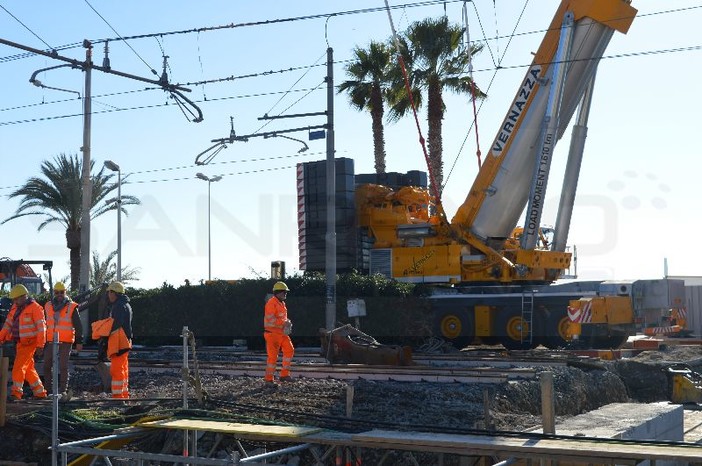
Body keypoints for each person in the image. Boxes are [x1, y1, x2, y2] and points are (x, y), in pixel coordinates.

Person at [0, 284, 48, 400]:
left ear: (24, 296)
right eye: (14, 299)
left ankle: (16, 393)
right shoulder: (15, 308)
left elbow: (42, 328)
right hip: (20, 343)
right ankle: (40, 392)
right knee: (28, 369)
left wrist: (40, 345)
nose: (15, 301)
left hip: (30, 344)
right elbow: (8, 324)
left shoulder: (35, 308)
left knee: (18, 367)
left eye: (16, 299)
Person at [43, 281, 83, 397]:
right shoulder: (48, 306)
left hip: (66, 341)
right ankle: (48, 389)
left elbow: (78, 326)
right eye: (57, 292)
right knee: (46, 365)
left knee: (63, 366)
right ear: (54, 293)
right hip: (51, 341)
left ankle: (62, 390)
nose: (59, 294)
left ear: (65, 292)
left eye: (62, 292)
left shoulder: (72, 306)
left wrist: (79, 342)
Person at [263, 281, 294, 383]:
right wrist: (284, 323)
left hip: (281, 333)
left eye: (286, 292)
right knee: (272, 357)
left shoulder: (281, 303)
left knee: (289, 350)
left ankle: (284, 375)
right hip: (272, 334)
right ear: (278, 292)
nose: (285, 294)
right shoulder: (271, 303)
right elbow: (271, 319)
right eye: (284, 292)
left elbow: (282, 318)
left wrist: (287, 322)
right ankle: (269, 379)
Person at [105, 281, 132, 399]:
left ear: (115, 293)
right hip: (125, 341)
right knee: (123, 368)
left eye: (110, 292)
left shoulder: (119, 306)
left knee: (116, 369)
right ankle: (123, 394)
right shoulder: (125, 304)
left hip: (120, 342)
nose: (108, 295)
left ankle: (117, 396)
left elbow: (115, 324)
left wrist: (103, 330)